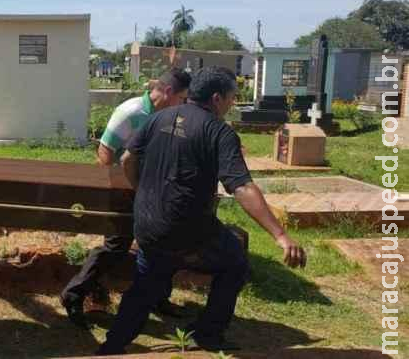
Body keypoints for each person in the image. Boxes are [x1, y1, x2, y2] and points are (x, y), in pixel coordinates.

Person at [96, 66, 307, 355]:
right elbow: (242, 186)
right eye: (233, 98)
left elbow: (129, 158)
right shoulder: (218, 132)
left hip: (147, 223)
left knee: (147, 281)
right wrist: (280, 235)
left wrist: (142, 191)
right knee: (234, 262)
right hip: (188, 232)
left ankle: (113, 344)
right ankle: (208, 334)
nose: (233, 104)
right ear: (217, 98)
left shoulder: (159, 118)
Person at [60, 68, 192, 329]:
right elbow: (105, 152)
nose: (184, 103)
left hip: (154, 191)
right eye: (182, 98)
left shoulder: (168, 114)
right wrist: (123, 190)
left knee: (164, 243)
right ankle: (73, 295)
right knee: (116, 247)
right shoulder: (131, 113)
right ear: (167, 92)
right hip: (126, 192)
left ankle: (157, 298)